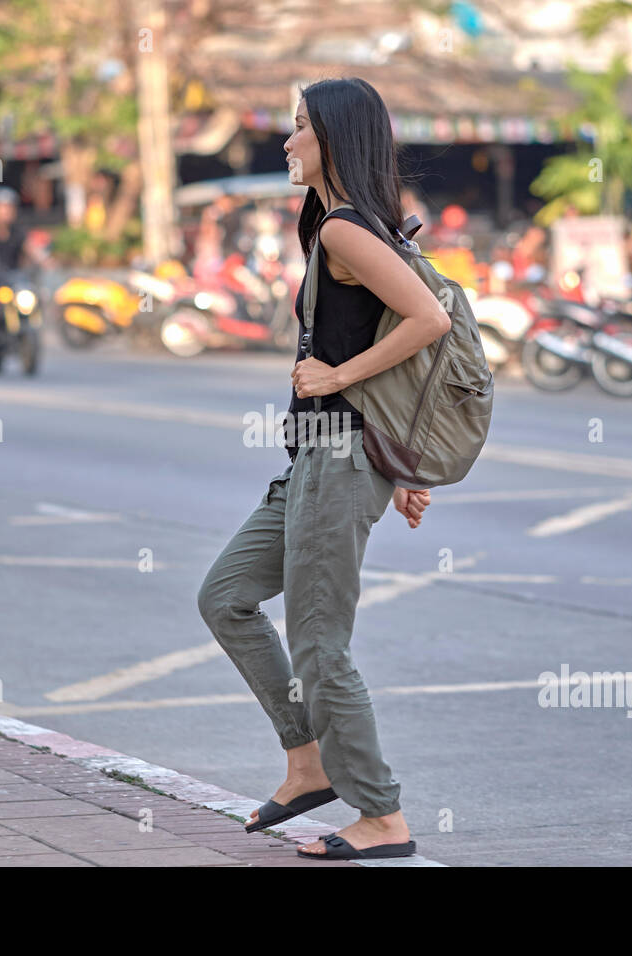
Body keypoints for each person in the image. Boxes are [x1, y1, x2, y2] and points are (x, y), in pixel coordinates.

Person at [196, 77, 449, 861]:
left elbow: (428, 319)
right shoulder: (337, 225)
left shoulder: (345, 229)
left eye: (300, 127)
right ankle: (306, 763)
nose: (287, 141)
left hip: (337, 463)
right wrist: (402, 465)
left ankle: (382, 814)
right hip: (320, 459)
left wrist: (336, 380)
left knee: (318, 644)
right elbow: (385, 344)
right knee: (227, 596)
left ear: (333, 138)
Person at [0, 187, 50, 347]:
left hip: (16, 278)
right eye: (1, 207)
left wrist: (45, 260)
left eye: (9, 207)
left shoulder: (18, 232)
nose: (5, 211)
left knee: (34, 296)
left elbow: (31, 248)